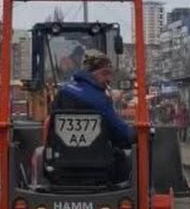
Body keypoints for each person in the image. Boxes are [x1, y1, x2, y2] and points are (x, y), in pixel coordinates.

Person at [51, 49, 134, 182]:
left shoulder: (63, 92)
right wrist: (135, 134)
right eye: (105, 73)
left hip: (62, 167)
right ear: (91, 72)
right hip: (98, 170)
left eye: (110, 74)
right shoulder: (100, 100)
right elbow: (122, 134)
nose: (109, 79)